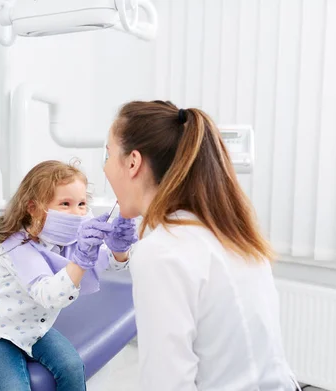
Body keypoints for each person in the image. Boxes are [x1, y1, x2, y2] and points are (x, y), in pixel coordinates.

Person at [102, 100, 298, 390]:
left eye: (107, 155)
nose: (105, 170)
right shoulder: (228, 231)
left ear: (133, 162)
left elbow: (166, 384)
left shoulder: (161, 251)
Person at [0, 160, 136, 391]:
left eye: (81, 204)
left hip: (36, 328)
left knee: (72, 367)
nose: (77, 213)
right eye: (65, 204)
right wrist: (81, 260)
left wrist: (120, 249)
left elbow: (112, 266)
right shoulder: (16, 246)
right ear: (33, 208)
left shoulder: (71, 239)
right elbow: (47, 294)